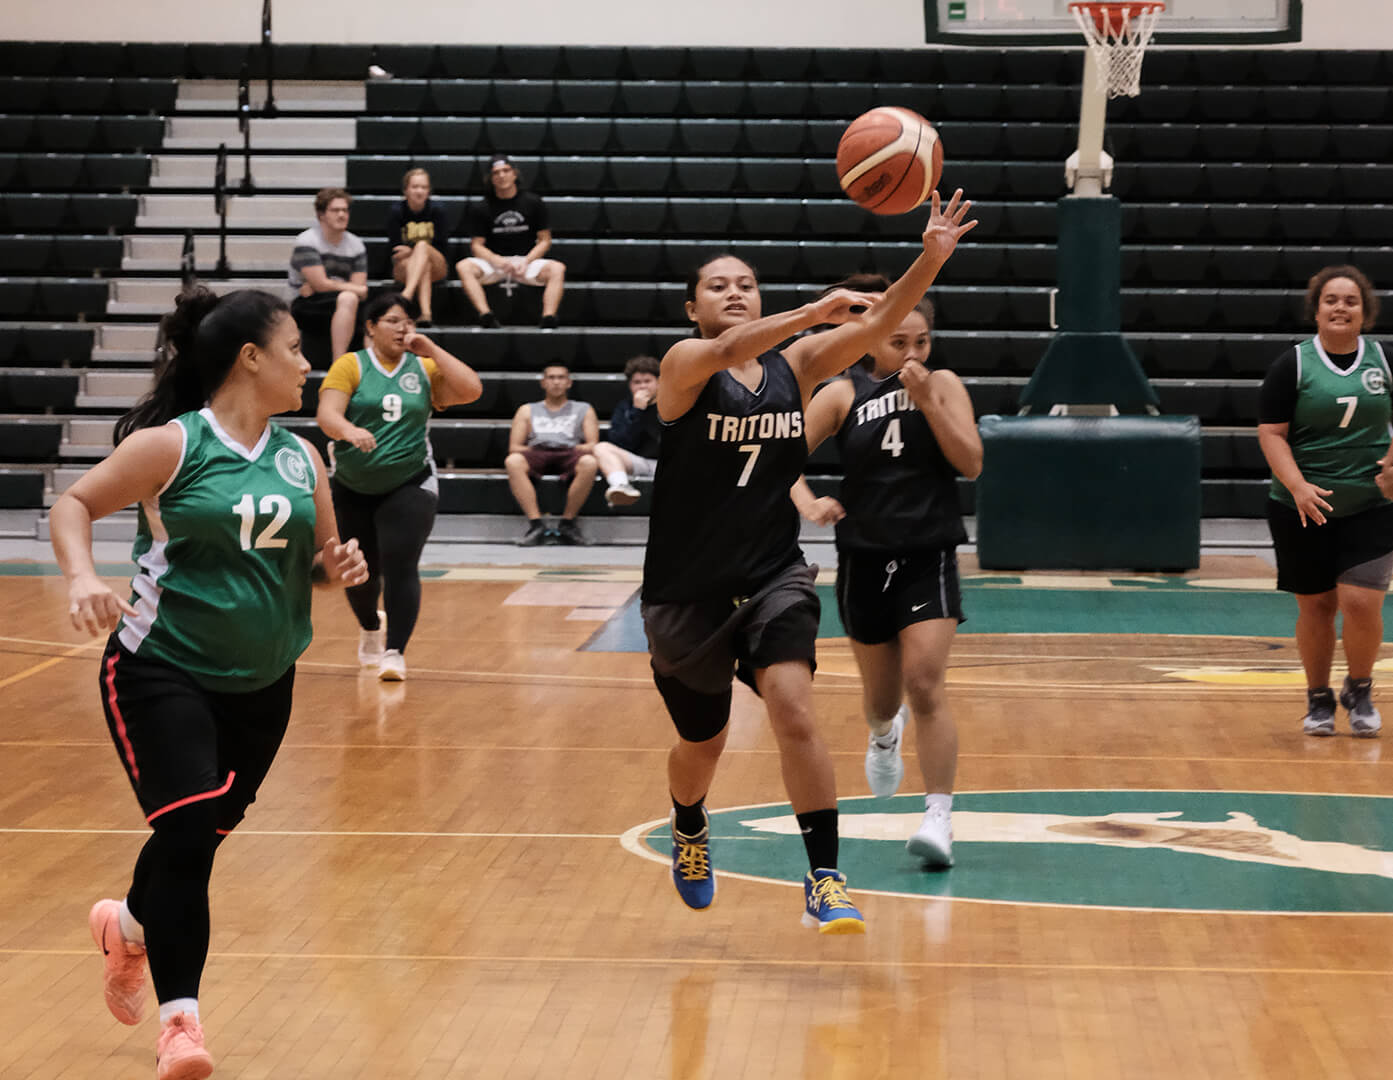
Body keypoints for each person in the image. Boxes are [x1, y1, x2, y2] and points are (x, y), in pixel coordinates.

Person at [49, 287, 368, 1080]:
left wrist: (339, 569)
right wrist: (83, 575)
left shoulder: (303, 457)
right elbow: (75, 503)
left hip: (264, 682)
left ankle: (127, 922)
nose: (308, 363)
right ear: (250, 358)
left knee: (198, 833)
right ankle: (180, 1029)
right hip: (162, 668)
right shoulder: (173, 446)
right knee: (190, 837)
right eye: (295, 347)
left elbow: (321, 567)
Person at [642, 189, 977, 934]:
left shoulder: (795, 370)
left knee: (795, 708)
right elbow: (733, 350)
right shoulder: (685, 365)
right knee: (704, 741)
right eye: (717, 286)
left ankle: (824, 877)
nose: (733, 292)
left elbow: (885, 322)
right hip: (685, 590)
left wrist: (929, 257)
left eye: (745, 284)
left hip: (771, 574)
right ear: (691, 308)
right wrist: (809, 312)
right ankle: (689, 823)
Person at [790, 278, 981, 869]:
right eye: (900, 342)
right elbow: (778, 456)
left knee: (925, 682)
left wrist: (927, 401)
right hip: (865, 559)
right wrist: (808, 502)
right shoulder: (842, 393)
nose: (914, 354)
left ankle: (939, 819)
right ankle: (881, 732)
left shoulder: (944, 385)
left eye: (922, 342)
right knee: (882, 699)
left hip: (929, 552)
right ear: (874, 343)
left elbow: (971, 462)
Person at [315, 291, 483, 681]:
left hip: (410, 480)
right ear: (370, 327)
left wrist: (433, 349)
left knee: (400, 562)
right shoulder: (351, 365)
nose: (402, 327)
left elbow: (471, 390)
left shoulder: (422, 368)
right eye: (392, 320)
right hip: (353, 483)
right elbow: (327, 415)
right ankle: (372, 628)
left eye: (408, 321)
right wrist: (349, 429)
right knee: (359, 572)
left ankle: (396, 651)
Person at [1257, 264, 1391, 738]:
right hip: (1302, 504)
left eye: (1350, 301)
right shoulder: (1292, 365)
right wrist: (1297, 485)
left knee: (1360, 601)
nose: (1340, 307)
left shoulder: (1383, 361)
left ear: (1364, 312)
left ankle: (1360, 687)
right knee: (1316, 606)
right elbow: (1271, 433)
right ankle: (1318, 697)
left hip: (1371, 503)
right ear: (1316, 311)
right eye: (1331, 300)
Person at [454, 155, 566, 329]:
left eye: (506, 171)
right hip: (495, 262)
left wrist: (526, 261)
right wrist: (498, 260)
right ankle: (486, 315)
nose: (501, 175)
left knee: (557, 269)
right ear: (491, 179)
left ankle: (548, 317)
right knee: (463, 266)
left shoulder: (533, 202)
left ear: (514, 174)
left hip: (526, 261)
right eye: (496, 173)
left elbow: (545, 240)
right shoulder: (482, 207)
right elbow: (476, 245)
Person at [505, 363, 599, 546]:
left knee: (589, 462)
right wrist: (540, 446)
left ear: (569, 383)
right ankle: (536, 525)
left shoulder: (584, 409)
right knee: (513, 461)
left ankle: (567, 523)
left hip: (570, 451)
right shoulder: (527, 410)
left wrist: (571, 446)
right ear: (543, 382)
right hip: (538, 451)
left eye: (561, 377)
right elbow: (515, 447)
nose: (556, 382)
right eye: (551, 377)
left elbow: (592, 444)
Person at [289, 187, 369, 363]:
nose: (342, 215)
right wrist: (326, 285)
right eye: (335, 210)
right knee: (349, 298)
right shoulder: (307, 241)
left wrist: (326, 284)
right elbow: (321, 285)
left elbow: (361, 290)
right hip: (306, 305)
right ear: (321, 215)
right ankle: (338, 365)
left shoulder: (356, 244)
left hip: (339, 302)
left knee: (375, 311)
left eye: (345, 210)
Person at [385, 168, 452, 327]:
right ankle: (426, 314)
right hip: (404, 265)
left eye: (423, 187)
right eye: (415, 187)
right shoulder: (396, 212)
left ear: (429, 190)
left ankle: (407, 294)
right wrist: (416, 252)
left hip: (438, 265)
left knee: (423, 248)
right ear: (406, 190)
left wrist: (414, 249)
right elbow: (395, 250)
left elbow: (441, 245)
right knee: (423, 263)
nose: (419, 191)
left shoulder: (438, 211)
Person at [594, 354, 661, 507]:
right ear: (630, 385)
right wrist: (637, 412)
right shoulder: (625, 408)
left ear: (659, 382)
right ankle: (621, 487)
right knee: (601, 448)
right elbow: (621, 443)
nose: (642, 386)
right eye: (637, 382)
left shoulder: (671, 405)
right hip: (638, 462)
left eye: (647, 381)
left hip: (668, 465)